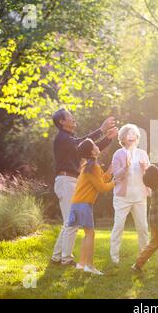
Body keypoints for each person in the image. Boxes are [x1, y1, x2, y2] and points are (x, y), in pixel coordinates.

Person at [51, 108, 117, 266]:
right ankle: (66, 259)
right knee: (71, 222)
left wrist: (107, 139)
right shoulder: (62, 138)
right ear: (62, 121)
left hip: (69, 180)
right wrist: (101, 130)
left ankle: (56, 256)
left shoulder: (70, 140)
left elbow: (88, 151)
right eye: (69, 117)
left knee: (68, 222)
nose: (73, 118)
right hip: (66, 180)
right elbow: (83, 144)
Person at [68, 139, 115, 275]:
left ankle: (82, 264)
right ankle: (89, 265)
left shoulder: (89, 165)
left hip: (78, 203)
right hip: (83, 204)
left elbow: (100, 180)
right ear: (91, 151)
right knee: (90, 234)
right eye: (94, 145)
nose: (97, 146)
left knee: (88, 233)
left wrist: (110, 172)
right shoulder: (92, 166)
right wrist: (115, 182)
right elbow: (102, 188)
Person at [110, 124, 150, 265]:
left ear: (137, 137)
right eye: (129, 134)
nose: (132, 136)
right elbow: (116, 175)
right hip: (122, 198)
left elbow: (150, 176)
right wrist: (125, 168)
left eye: (134, 134)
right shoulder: (118, 154)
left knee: (143, 227)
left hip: (140, 196)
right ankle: (114, 258)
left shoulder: (142, 154)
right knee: (118, 226)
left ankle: (143, 256)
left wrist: (145, 169)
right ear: (123, 138)